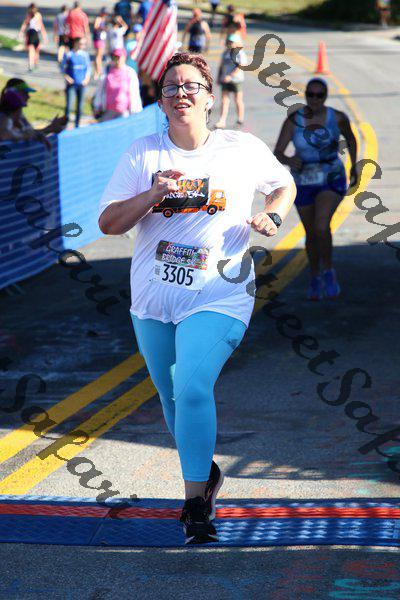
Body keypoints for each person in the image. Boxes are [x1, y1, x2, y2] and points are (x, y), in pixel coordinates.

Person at [98, 52, 295, 545]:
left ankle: (194, 507)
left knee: (190, 386)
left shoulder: (240, 148)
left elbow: (283, 185)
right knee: (172, 400)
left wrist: (272, 215)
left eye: (191, 86)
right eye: (170, 87)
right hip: (153, 300)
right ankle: (204, 473)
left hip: (220, 293)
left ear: (210, 97)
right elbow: (109, 223)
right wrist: (151, 195)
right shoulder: (143, 154)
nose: (180, 93)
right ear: (160, 101)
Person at [274, 78, 358, 300]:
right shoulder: (294, 120)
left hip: (331, 176)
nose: (314, 99)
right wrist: (289, 160)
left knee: (321, 226)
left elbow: (351, 139)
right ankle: (315, 275)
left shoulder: (337, 118)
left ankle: (328, 271)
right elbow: (278, 152)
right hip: (303, 180)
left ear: (326, 96)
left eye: (319, 95)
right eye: (310, 94)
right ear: (306, 95)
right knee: (311, 232)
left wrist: (354, 167)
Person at [1, 78, 67, 136]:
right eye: (25, 93)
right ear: (16, 93)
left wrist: (51, 128)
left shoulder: (17, 114)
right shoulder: (7, 117)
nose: (28, 96)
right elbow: (20, 137)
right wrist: (50, 128)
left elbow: (29, 134)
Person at [93, 47, 142, 121]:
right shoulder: (107, 71)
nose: (117, 59)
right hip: (108, 111)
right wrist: (97, 105)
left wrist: (136, 110)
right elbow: (100, 90)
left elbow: (135, 92)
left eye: (119, 57)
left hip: (124, 111)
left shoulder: (130, 72)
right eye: (115, 57)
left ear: (124, 58)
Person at [215, 33, 246, 129]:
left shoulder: (240, 53)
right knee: (224, 100)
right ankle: (222, 120)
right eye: (229, 42)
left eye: (232, 42)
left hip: (236, 80)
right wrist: (219, 77)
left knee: (237, 100)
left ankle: (240, 119)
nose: (230, 44)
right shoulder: (225, 53)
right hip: (225, 79)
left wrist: (230, 76)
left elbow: (241, 66)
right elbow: (221, 65)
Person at [61, 37, 91, 127]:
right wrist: (67, 77)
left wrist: (86, 79)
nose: (83, 46)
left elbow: (88, 68)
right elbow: (62, 68)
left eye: (84, 44)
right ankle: (65, 125)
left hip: (81, 84)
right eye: (81, 44)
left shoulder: (85, 55)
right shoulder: (69, 54)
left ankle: (77, 125)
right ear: (76, 43)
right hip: (71, 85)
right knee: (69, 105)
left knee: (80, 106)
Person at [18, 3, 48, 71]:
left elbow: (25, 24)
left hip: (32, 33)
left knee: (33, 50)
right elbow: (41, 26)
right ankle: (33, 63)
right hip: (34, 33)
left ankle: (32, 63)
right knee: (35, 50)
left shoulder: (30, 15)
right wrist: (44, 36)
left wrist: (21, 33)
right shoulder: (37, 15)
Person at [93, 7, 109, 79]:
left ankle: (97, 71)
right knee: (98, 56)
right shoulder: (98, 19)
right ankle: (99, 71)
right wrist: (103, 28)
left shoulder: (103, 19)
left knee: (100, 56)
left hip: (101, 39)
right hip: (98, 38)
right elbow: (95, 27)